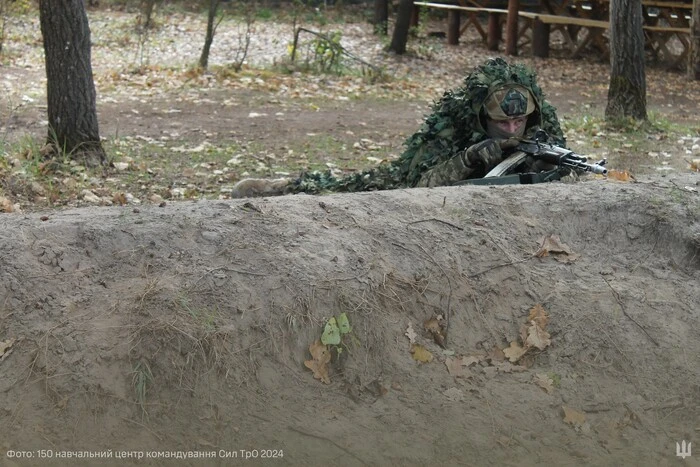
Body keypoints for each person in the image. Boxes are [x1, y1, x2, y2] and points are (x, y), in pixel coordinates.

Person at [231, 57, 566, 198]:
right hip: (408, 184)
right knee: (352, 189)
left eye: (518, 121)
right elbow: (421, 184)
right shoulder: (451, 124)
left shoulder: (540, 120)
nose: (511, 128)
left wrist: (544, 164)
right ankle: (283, 188)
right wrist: (467, 160)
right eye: (502, 122)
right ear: (482, 119)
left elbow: (569, 172)